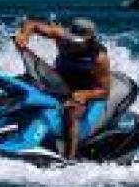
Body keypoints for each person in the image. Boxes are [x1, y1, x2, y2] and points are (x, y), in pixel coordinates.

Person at [13, 16, 110, 158]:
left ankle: (68, 159)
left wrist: (85, 95)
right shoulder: (62, 37)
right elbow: (32, 24)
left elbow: (104, 92)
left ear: (90, 39)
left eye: (78, 42)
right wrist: (24, 36)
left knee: (70, 112)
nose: (73, 44)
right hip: (57, 83)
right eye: (72, 39)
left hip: (82, 91)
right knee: (18, 86)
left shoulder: (99, 58)